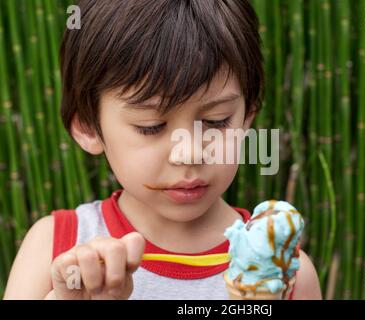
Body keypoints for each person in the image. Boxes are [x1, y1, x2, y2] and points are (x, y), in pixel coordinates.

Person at [4, 0, 321, 300]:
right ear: (88, 127)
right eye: (151, 126)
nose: (189, 153)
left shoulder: (287, 272)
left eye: (216, 121)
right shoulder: (54, 247)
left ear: (247, 115)